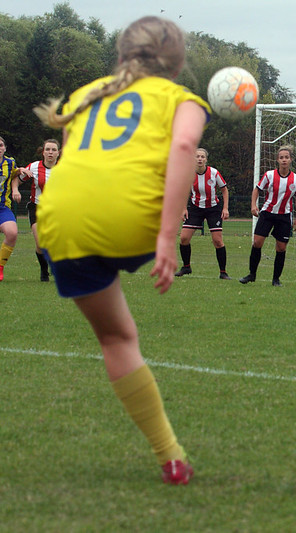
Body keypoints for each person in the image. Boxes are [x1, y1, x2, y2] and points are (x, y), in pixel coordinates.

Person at [33, 16, 209, 484]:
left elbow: (75, 161)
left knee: (116, 339)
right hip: (133, 217)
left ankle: (170, 455)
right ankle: (170, 454)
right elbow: (185, 146)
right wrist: (167, 237)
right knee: (121, 334)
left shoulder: (84, 95)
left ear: (121, 54)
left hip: (60, 221)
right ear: (177, 62)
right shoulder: (182, 99)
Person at [239, 144, 296, 287]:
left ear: (291, 159)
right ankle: (251, 274)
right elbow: (257, 190)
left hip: (284, 216)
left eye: (286, 157)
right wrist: (253, 205)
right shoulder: (269, 175)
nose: (284, 160)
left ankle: (276, 279)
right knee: (257, 243)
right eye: (281, 157)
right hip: (267, 214)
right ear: (277, 160)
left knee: (281, 248)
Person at [174, 148, 231, 279]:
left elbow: (224, 190)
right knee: (184, 238)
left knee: (217, 241)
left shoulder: (214, 173)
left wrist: (225, 208)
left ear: (206, 159)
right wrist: (184, 209)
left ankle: (223, 272)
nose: (199, 159)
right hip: (195, 209)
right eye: (197, 156)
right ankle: (186, 267)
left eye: (202, 157)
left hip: (213, 209)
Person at [11, 139, 61, 281]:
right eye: (48, 150)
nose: (50, 152)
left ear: (58, 153)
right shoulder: (33, 167)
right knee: (40, 243)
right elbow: (17, 179)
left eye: (53, 150)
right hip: (37, 207)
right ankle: (44, 271)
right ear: (43, 152)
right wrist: (15, 190)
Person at [0, 136, 20, 282]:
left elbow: (15, 174)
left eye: (0, 145)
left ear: (5, 148)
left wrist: (15, 190)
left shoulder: (10, 163)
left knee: (12, 233)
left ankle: (0, 267)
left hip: (2, 207)